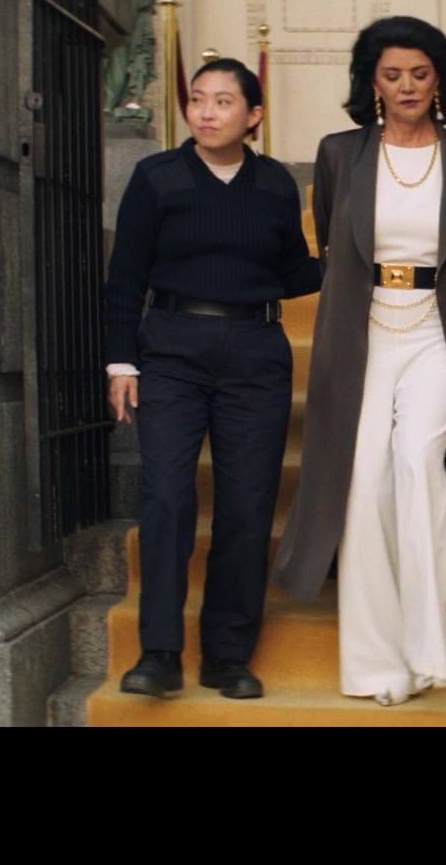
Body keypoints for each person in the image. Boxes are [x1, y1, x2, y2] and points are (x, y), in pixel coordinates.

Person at [271, 16, 446, 707]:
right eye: (392, 74)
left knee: (416, 463)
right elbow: (332, 246)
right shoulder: (339, 152)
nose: (407, 86)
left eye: (420, 73)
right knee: (365, 480)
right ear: (371, 82)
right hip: (363, 331)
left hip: (438, 331)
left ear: (440, 81)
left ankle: (427, 642)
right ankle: (377, 666)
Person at [104, 57, 322, 700]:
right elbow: (126, 275)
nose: (206, 111)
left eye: (224, 101)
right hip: (172, 351)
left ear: (253, 116)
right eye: (198, 99)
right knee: (167, 497)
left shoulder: (274, 183)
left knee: (247, 506)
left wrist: (356, 255)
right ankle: (159, 653)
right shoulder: (157, 177)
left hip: (256, 354)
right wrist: (122, 361)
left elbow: (292, 272)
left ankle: (228, 655)